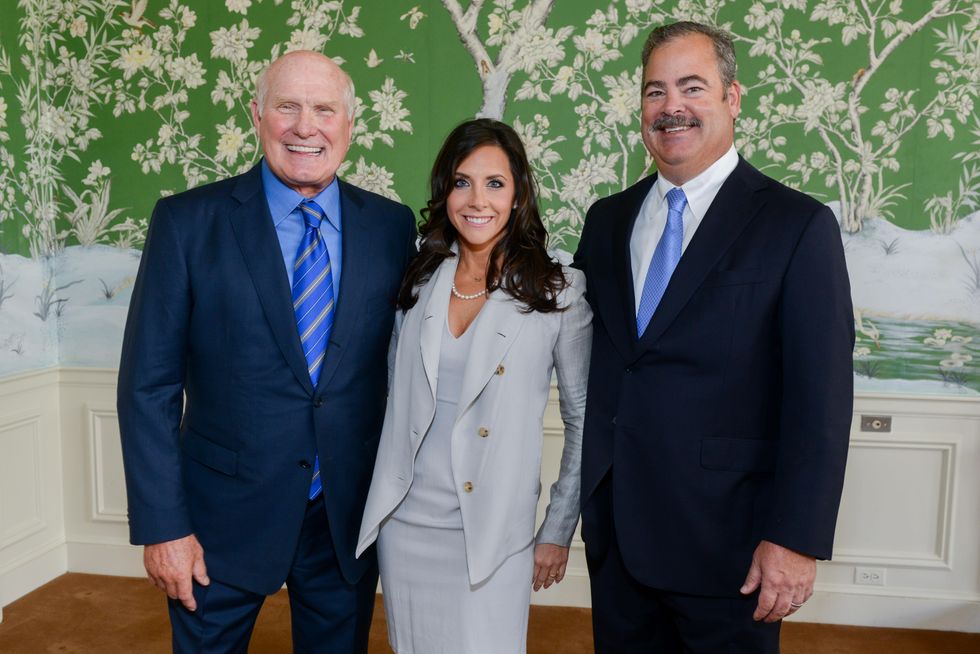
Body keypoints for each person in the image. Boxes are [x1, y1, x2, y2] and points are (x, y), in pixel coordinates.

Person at [117, 51, 416, 653]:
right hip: (218, 524)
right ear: (257, 116)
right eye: (288, 107)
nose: (306, 127)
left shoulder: (391, 226)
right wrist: (164, 527)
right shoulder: (186, 222)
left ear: (349, 125)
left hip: (342, 521)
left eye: (324, 110)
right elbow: (147, 386)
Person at [573, 21, 854, 652]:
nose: (671, 106)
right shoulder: (607, 220)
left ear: (732, 97)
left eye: (692, 87)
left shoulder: (797, 225)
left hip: (732, 549)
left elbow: (821, 400)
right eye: (655, 91)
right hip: (618, 542)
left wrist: (796, 539)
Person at [356, 118, 592, 654]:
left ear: (519, 194)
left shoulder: (557, 291)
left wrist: (557, 527)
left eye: (495, 183)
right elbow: (392, 397)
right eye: (462, 182)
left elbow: (582, 419)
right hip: (407, 522)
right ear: (445, 191)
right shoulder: (419, 279)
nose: (477, 200)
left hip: (493, 530)